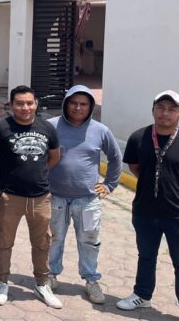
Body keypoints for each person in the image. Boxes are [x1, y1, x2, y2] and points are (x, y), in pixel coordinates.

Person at [116, 91, 179, 321]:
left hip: (178, 214)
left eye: (172, 109)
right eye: (160, 107)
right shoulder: (139, 137)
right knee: (146, 256)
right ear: (153, 110)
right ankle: (142, 295)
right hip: (145, 211)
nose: (165, 113)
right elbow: (134, 166)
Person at [0, 85, 61, 308]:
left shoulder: (47, 128)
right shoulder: (0, 129)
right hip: (9, 198)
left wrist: (37, 175)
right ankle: (2, 282)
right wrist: (8, 175)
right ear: (11, 105)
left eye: (29, 103)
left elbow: (54, 157)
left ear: (36, 104)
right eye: (19, 103)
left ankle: (42, 284)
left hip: (40, 198)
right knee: (3, 241)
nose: (25, 107)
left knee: (42, 243)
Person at [47, 85, 122, 305]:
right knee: (53, 238)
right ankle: (50, 276)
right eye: (73, 103)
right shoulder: (51, 126)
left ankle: (91, 280)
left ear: (90, 106)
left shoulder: (101, 130)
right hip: (55, 198)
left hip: (88, 200)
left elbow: (116, 158)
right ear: (66, 103)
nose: (78, 107)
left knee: (89, 241)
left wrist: (109, 185)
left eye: (83, 104)